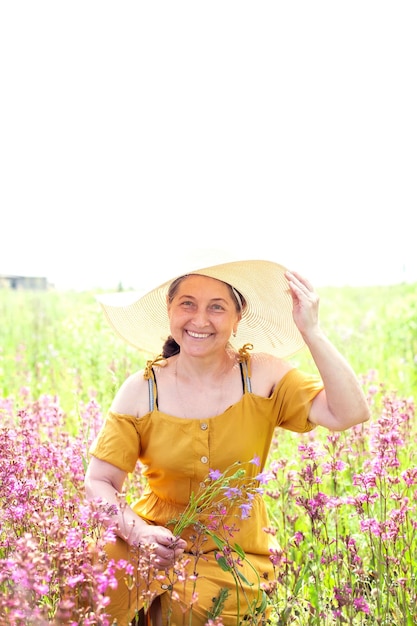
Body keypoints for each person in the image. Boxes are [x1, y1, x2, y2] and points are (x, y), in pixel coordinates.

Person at [85, 259, 370, 626]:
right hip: (151, 539)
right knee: (91, 580)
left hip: (233, 549)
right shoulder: (143, 388)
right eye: (187, 303)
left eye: (217, 307)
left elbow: (348, 413)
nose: (200, 320)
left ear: (238, 317)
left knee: (197, 608)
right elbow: (99, 481)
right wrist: (137, 532)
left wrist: (312, 332)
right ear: (170, 312)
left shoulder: (262, 375)